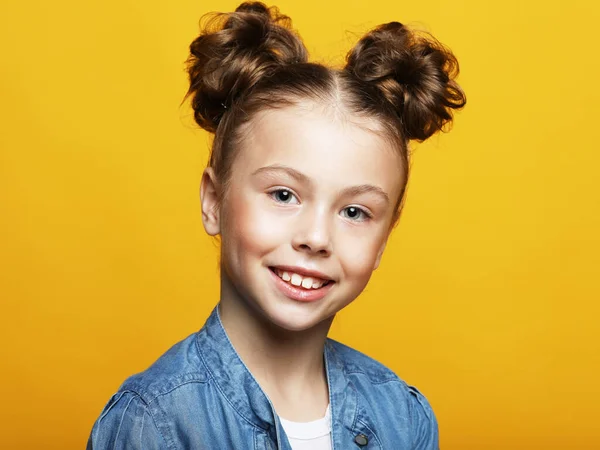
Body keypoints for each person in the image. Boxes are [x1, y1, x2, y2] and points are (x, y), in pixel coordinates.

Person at [87, 2, 466, 449]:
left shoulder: (403, 417)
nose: (316, 238)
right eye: (284, 195)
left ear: (385, 237)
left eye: (354, 212)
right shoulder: (156, 422)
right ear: (214, 200)